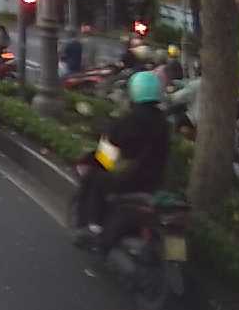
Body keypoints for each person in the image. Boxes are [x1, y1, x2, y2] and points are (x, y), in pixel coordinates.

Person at [73, 71, 170, 251]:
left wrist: (92, 161)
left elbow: (106, 157)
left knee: (94, 178)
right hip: (155, 183)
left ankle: (93, 227)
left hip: (128, 182)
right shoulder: (164, 123)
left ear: (134, 91)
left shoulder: (128, 121)